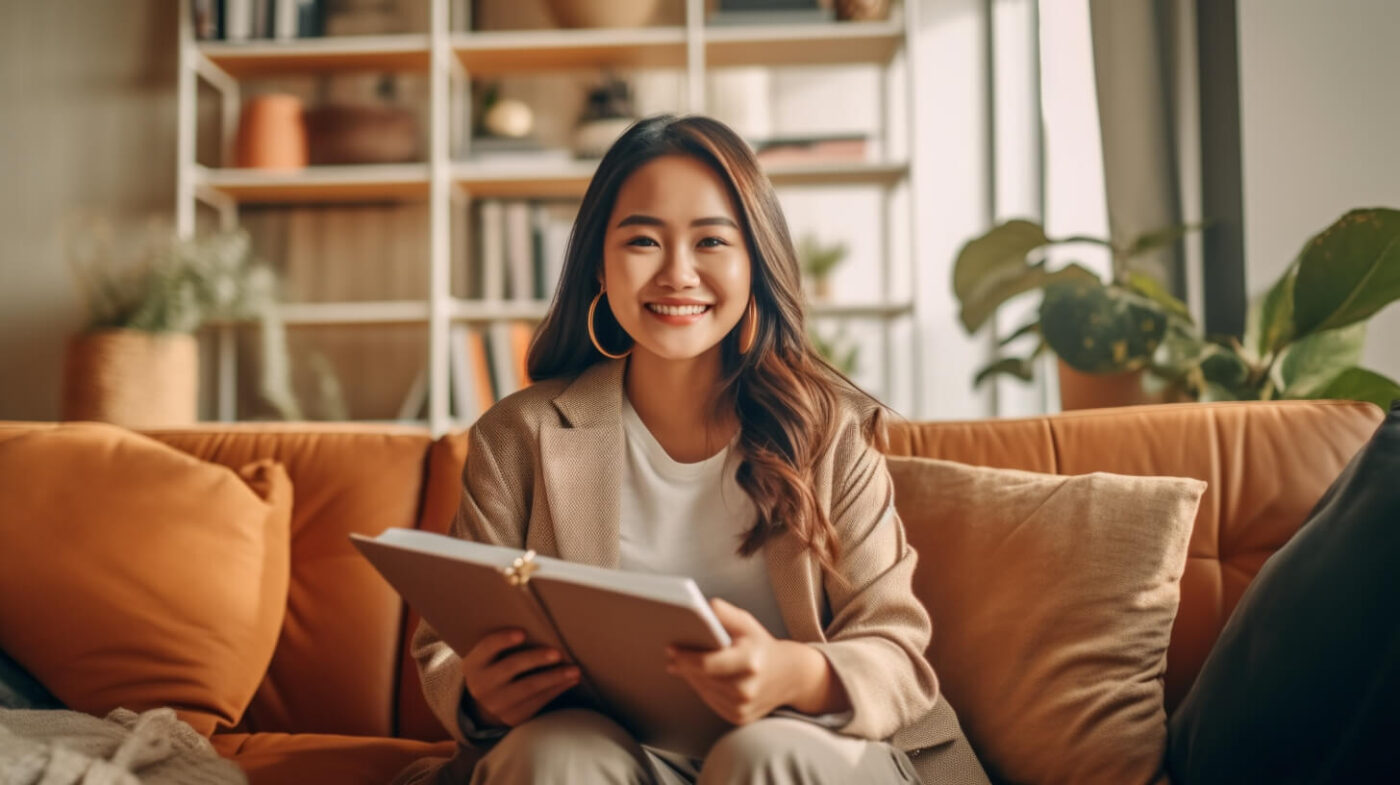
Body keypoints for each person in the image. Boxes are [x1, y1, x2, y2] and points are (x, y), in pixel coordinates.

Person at [402, 115, 990, 785]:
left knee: (761, 752)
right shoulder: (520, 434)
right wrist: (481, 694)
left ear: (754, 260)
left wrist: (790, 672)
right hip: (612, 756)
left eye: (711, 239)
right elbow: (449, 645)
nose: (678, 273)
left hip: (810, 754)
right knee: (554, 756)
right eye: (643, 240)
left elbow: (897, 652)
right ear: (598, 263)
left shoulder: (828, 431)